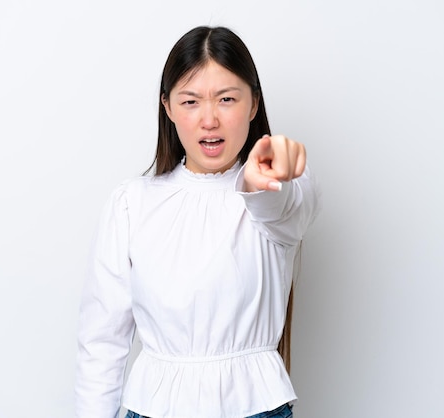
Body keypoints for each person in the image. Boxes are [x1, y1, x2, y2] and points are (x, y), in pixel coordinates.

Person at [75, 26, 320, 418]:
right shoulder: (131, 203)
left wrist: (265, 180)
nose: (209, 119)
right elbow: (101, 343)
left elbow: (285, 206)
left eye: (226, 99)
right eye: (190, 101)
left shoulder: (278, 192)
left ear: (253, 104)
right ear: (168, 107)